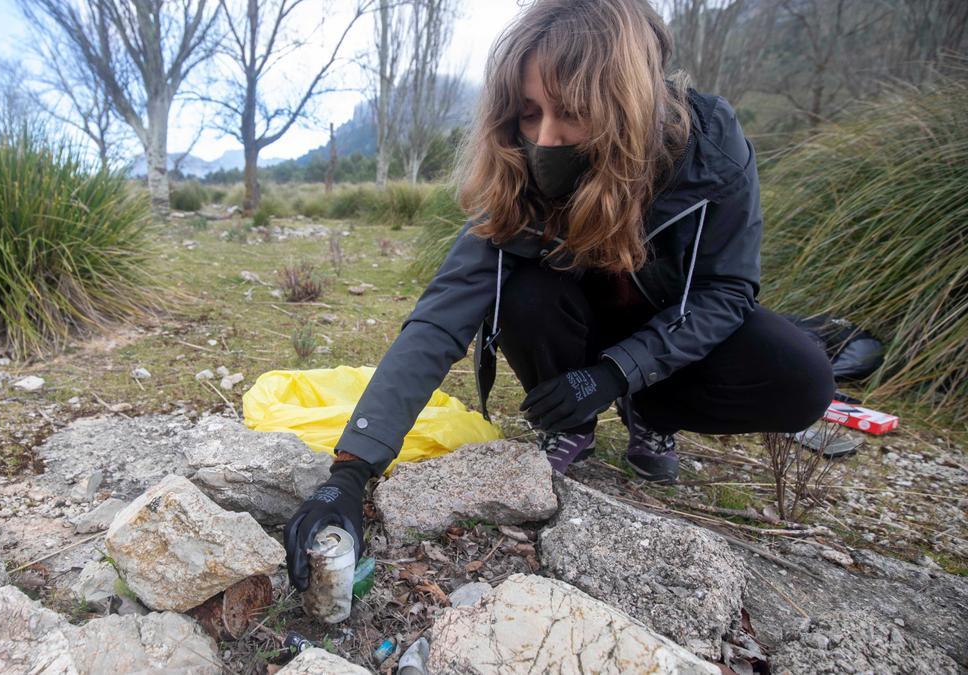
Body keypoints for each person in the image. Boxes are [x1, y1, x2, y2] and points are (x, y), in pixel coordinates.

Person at [284, 0, 835, 593]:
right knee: (521, 291)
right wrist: (350, 471)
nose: (545, 139)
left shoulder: (713, 148)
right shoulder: (525, 166)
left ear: (625, 103)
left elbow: (726, 291)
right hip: (574, 322)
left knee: (800, 377)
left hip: (669, 330)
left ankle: (652, 412)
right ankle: (571, 423)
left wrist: (616, 374)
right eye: (528, 113)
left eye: (571, 112)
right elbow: (441, 319)